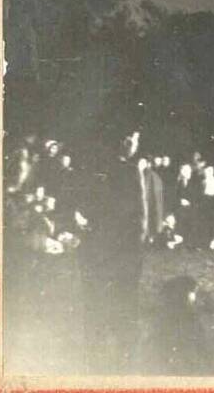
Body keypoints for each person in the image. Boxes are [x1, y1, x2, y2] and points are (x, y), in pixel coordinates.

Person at [79, 129, 148, 373]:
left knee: (100, 299)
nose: (135, 144)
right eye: (134, 139)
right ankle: (123, 352)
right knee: (125, 297)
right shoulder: (130, 171)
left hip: (102, 246)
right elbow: (140, 212)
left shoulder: (99, 169)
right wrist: (139, 241)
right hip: (123, 247)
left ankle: (99, 348)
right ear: (126, 142)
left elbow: (88, 207)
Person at [143, 275, 207, 375]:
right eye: (193, 293)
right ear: (185, 294)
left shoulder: (165, 316)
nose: (194, 297)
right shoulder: (187, 318)